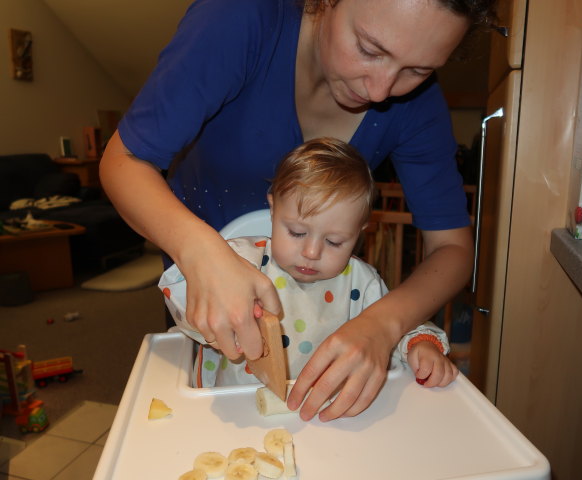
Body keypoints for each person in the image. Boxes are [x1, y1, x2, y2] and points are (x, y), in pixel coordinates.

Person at [99, 0, 496, 422]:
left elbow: (451, 248)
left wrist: (383, 325)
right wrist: (202, 254)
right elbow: (124, 162)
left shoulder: (419, 105)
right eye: (369, 47)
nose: (380, 91)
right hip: (202, 302)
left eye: (417, 70)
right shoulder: (237, 19)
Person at [159, 138, 458, 390]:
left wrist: (421, 346)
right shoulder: (239, 262)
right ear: (274, 209)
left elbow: (398, 326)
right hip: (239, 407)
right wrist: (212, 301)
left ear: (359, 233)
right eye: (298, 232)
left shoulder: (362, 283)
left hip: (327, 413)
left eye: (334, 241)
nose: (312, 252)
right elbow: (186, 298)